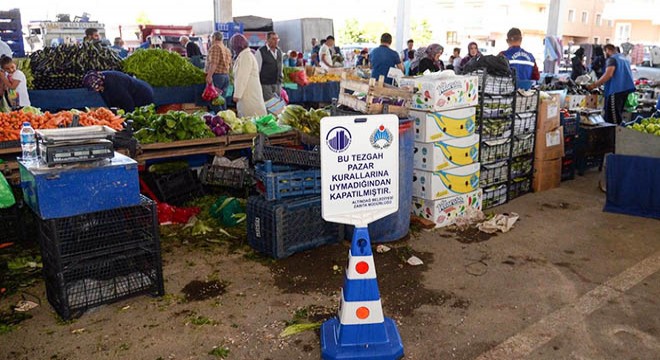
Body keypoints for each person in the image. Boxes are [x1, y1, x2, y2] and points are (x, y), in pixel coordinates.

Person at [586, 44, 635, 124]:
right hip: (624, 90)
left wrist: (594, 85)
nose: (604, 54)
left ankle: (614, 134)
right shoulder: (624, 58)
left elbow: (608, 74)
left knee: (612, 117)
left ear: (608, 50)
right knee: (617, 113)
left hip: (615, 90)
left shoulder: (612, 59)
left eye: (605, 52)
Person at [229, 34, 267, 118]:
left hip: (249, 94)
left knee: (251, 119)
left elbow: (242, 77)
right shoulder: (244, 55)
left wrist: (237, 95)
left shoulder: (245, 56)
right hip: (247, 93)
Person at [82, 70, 154, 112]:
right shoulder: (100, 78)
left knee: (140, 115)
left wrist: (128, 119)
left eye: (97, 88)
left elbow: (128, 103)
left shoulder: (115, 85)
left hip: (143, 94)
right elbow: (107, 99)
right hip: (132, 93)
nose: (97, 91)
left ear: (100, 84)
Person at [255, 31, 284, 101]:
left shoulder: (279, 51)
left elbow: (281, 67)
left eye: (277, 39)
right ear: (267, 40)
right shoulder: (260, 51)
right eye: (273, 39)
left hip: (277, 84)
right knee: (269, 104)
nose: (276, 41)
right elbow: (257, 69)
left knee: (277, 105)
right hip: (266, 84)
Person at [205, 31, 232, 105]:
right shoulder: (226, 49)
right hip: (225, 76)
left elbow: (214, 63)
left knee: (215, 100)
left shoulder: (215, 47)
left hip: (217, 77)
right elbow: (230, 64)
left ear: (214, 38)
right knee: (222, 100)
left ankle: (218, 115)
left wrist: (209, 76)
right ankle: (224, 115)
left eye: (211, 38)